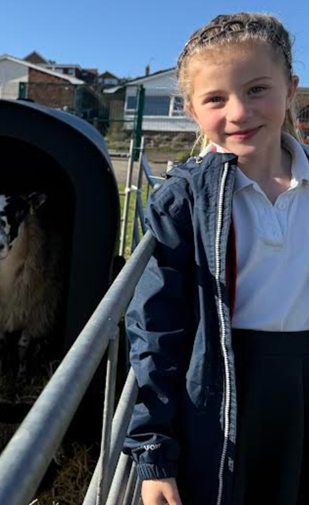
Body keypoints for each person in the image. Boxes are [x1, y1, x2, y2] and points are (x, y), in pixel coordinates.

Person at [123, 12, 309, 505]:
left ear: (290, 88)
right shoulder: (184, 201)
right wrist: (154, 453)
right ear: (191, 110)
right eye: (215, 99)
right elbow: (155, 330)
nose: (239, 112)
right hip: (218, 403)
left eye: (257, 89)